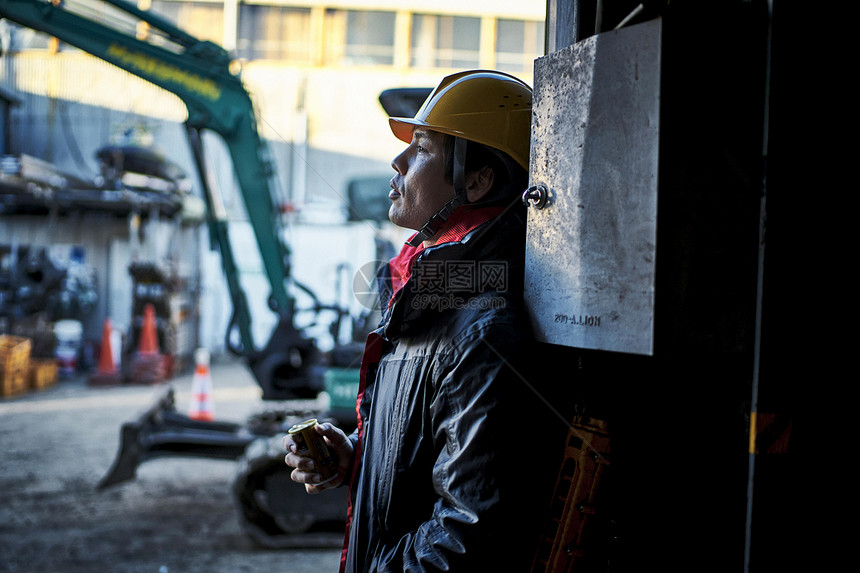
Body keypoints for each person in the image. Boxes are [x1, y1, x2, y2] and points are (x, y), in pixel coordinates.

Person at [284, 70, 564, 572]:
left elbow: (469, 537)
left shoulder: (482, 328)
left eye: (423, 148)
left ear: (476, 181)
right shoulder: (433, 300)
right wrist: (359, 459)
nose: (398, 161)